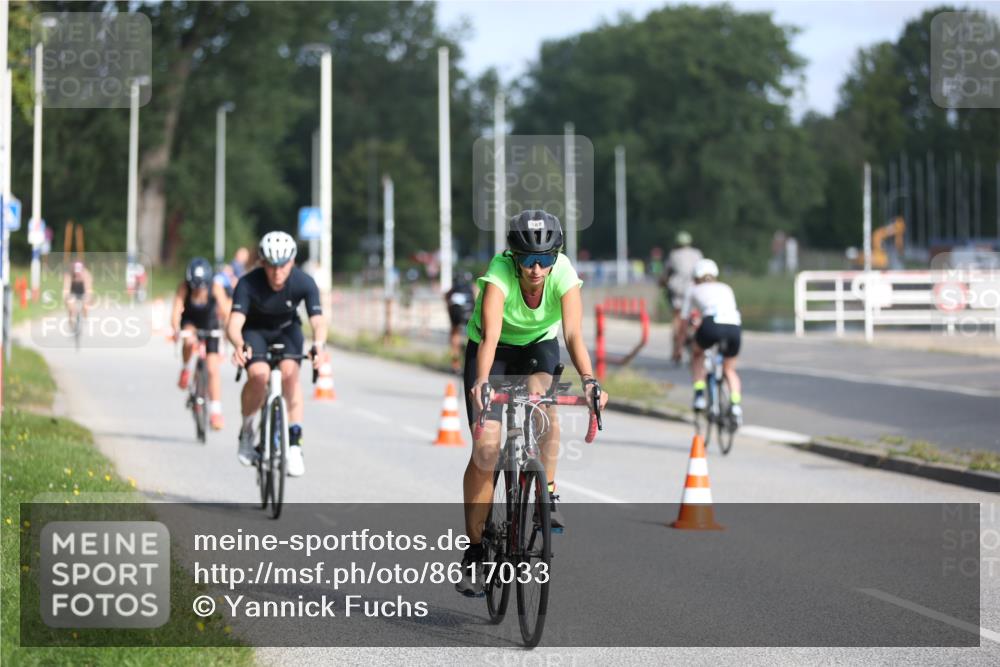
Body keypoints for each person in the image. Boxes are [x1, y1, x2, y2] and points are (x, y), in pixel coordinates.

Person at [456, 209, 609, 597]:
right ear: (514, 257)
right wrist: (482, 383)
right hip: (494, 351)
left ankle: (548, 490)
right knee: (487, 448)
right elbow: (489, 337)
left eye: (545, 259)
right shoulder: (499, 273)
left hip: (538, 346)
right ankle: (474, 550)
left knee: (544, 404)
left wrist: (590, 381)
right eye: (528, 260)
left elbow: (573, 334)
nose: (537, 269)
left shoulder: (562, 273)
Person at [226, 231, 327, 477]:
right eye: (271, 265)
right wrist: (238, 344)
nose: (277, 272)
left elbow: (318, 322)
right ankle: (248, 431)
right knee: (259, 377)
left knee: (290, 375)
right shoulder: (248, 283)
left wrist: (319, 345)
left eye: (283, 265)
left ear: (292, 261)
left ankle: (294, 445)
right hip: (255, 331)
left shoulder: (304, 282)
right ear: (262, 262)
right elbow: (234, 324)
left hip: (286, 330)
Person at [171, 257, 232, 430]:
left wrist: (228, 330)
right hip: (190, 321)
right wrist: (176, 329)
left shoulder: (215, 287)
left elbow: (226, 311)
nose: (198, 291)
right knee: (189, 340)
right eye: (194, 287)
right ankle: (186, 367)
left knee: (213, 368)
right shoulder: (184, 288)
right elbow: (176, 311)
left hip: (210, 323)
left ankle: (215, 411)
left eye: (201, 287)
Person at [679, 258, 743, 424]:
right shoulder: (726, 288)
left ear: (696, 277)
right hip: (733, 327)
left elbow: (684, 320)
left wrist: (681, 342)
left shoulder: (693, 289)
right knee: (730, 370)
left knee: (697, 354)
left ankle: (699, 396)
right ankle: (736, 405)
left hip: (711, 325)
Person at [661, 231, 703, 363]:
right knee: (696, 314)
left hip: (678, 291)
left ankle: (676, 350)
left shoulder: (673, 255)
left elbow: (666, 274)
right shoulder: (697, 254)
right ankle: (696, 341)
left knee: (677, 318)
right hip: (694, 289)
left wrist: (662, 282)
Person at [444, 272, 476, 372]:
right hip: (468, 309)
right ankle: (470, 359)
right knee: (472, 334)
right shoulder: (472, 286)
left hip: (455, 310)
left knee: (454, 333)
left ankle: (455, 363)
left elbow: (446, 298)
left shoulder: (453, 288)